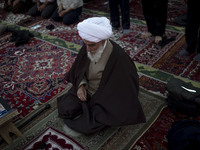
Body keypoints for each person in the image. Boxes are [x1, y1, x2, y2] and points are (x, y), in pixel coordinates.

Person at [57, 17, 146, 135]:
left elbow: (126, 88)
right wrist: (81, 86)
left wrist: (102, 99)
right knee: (65, 108)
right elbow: (79, 70)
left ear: (103, 40)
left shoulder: (118, 57)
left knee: (90, 125)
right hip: (87, 89)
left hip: (106, 97)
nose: (88, 49)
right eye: (86, 44)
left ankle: (92, 113)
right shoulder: (89, 46)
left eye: (92, 45)